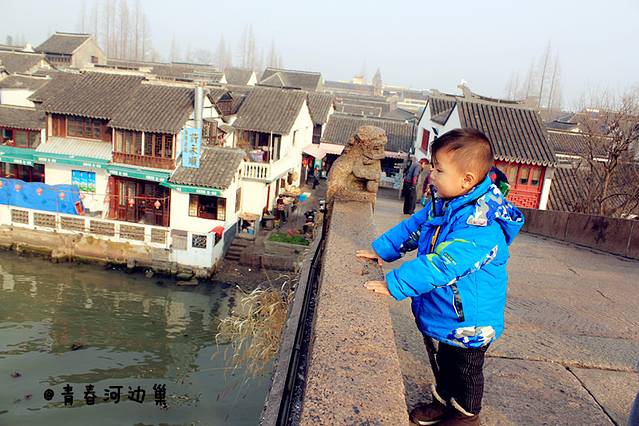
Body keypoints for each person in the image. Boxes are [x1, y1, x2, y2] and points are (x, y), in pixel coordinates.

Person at [356, 128, 524, 425]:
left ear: (466, 180)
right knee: (446, 359)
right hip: (451, 313)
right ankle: (443, 402)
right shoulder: (445, 202)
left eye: (439, 169)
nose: (431, 174)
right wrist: (383, 250)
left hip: (471, 319)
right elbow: (415, 226)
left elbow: (444, 265)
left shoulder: (480, 225)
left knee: (466, 369)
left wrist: (396, 284)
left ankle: (466, 416)